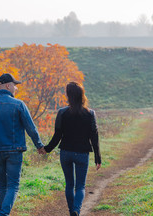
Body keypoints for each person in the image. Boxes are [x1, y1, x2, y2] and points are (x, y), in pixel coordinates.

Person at [0, 73, 45, 216]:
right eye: (15, 85)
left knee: (2, 186)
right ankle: (4, 214)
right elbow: (31, 128)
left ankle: (3, 212)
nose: (16, 88)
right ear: (8, 85)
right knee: (13, 185)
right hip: (15, 151)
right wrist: (39, 145)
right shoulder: (19, 104)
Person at [41, 82, 101, 216]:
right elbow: (94, 138)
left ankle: (71, 211)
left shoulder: (62, 113)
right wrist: (97, 157)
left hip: (66, 153)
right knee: (80, 186)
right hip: (82, 153)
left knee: (69, 184)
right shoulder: (90, 114)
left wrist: (47, 149)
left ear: (69, 95)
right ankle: (76, 210)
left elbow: (57, 135)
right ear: (82, 95)